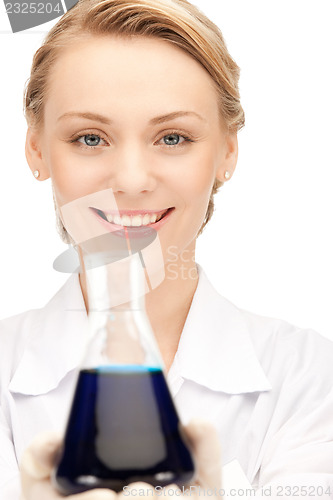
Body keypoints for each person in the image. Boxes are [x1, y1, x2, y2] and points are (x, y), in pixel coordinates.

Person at [1, 0, 333, 498]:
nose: (132, 180)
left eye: (172, 137)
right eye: (90, 138)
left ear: (227, 151)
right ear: (37, 148)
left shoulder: (307, 376)